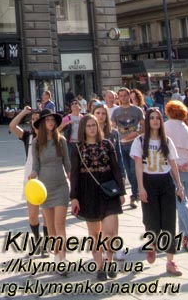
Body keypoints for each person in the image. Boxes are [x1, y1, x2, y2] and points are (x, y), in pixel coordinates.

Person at [70, 113, 125, 281]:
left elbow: (116, 168)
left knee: (111, 232)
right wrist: (74, 197)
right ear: (83, 129)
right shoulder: (78, 148)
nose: (92, 128)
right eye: (89, 126)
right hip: (88, 193)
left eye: (94, 125)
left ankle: (109, 262)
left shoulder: (107, 144)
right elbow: (74, 175)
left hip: (108, 191)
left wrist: (121, 191)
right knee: (94, 234)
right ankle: (100, 267)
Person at [131, 108, 184, 276]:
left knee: (169, 222)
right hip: (148, 182)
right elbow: (138, 166)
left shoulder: (167, 141)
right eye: (151, 118)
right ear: (147, 121)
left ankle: (170, 261)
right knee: (151, 221)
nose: (155, 121)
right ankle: (152, 245)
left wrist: (179, 186)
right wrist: (140, 187)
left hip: (166, 182)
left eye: (157, 118)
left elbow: (173, 164)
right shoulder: (139, 141)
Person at [30, 112, 71, 268]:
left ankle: (63, 258)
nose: (50, 122)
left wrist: (72, 180)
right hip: (44, 189)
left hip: (61, 186)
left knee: (60, 224)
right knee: (51, 227)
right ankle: (57, 254)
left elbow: (67, 164)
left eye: (52, 120)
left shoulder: (61, 140)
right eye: (47, 120)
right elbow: (36, 166)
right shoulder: (36, 142)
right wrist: (32, 175)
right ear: (42, 123)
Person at [163, 99, 188, 247]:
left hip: (173, 168)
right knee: (184, 202)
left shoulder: (165, 127)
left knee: (180, 202)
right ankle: (184, 236)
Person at [9, 106, 43, 239]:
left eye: (37, 119)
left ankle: (45, 243)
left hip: (47, 176)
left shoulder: (51, 137)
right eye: (32, 119)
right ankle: (37, 238)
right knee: (33, 215)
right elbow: (12, 126)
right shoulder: (27, 137)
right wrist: (23, 112)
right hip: (32, 180)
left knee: (47, 214)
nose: (34, 121)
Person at [110, 87, 144, 208]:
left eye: (125, 95)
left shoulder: (137, 110)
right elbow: (113, 128)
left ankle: (134, 195)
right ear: (118, 97)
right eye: (121, 96)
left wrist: (137, 133)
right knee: (126, 172)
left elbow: (144, 126)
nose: (123, 98)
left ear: (129, 96)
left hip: (134, 144)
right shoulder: (116, 112)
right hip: (121, 144)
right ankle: (135, 193)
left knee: (133, 171)